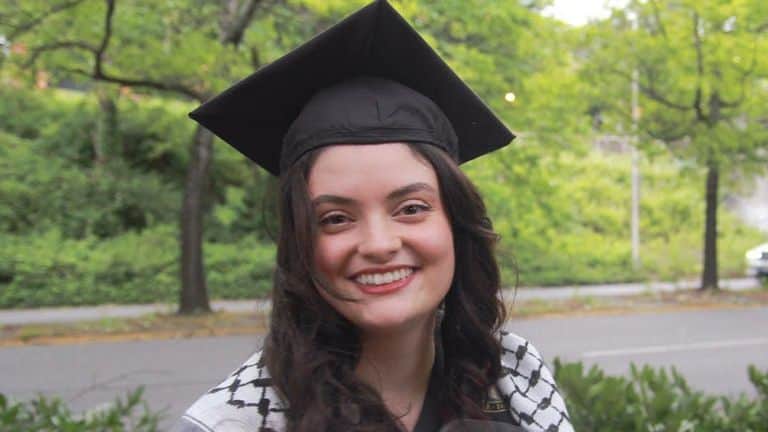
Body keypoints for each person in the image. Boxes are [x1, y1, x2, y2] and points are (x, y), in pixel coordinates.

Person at [175, 1, 573, 431]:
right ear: (300, 244)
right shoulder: (233, 422)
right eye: (335, 219)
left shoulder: (514, 375)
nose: (380, 244)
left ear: (456, 224)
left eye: (411, 209)